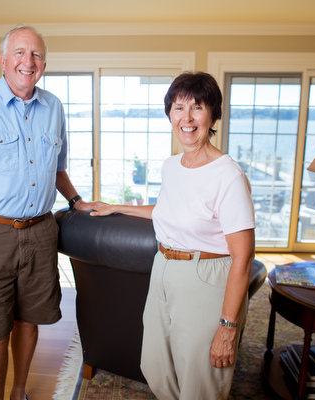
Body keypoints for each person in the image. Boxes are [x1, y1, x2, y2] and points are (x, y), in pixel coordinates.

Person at [0, 25, 104, 400]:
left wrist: (77, 200)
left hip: (40, 231)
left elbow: (56, 170)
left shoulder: (54, 107)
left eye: (37, 55)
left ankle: (18, 392)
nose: (28, 62)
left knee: (29, 322)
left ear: (44, 63)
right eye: (20, 53)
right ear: (2, 59)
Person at [91, 71, 256, 399]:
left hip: (206, 276)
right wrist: (115, 208)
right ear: (170, 114)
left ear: (213, 116)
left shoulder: (228, 175)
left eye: (198, 107)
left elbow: (244, 256)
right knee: (155, 365)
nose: (188, 117)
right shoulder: (172, 165)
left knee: (200, 381)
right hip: (163, 268)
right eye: (179, 107)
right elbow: (169, 210)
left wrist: (228, 327)